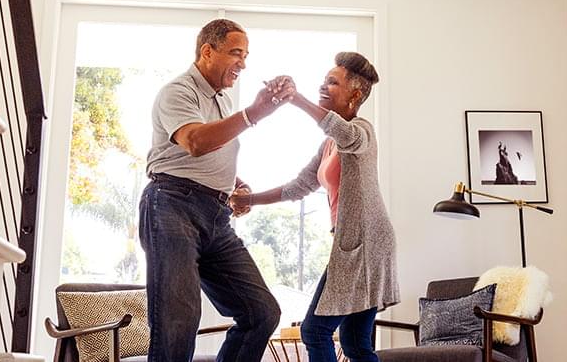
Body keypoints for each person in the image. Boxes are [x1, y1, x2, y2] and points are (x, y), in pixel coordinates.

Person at [230, 52, 400, 362]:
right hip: (355, 246)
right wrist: (248, 199)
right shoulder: (327, 145)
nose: (324, 86)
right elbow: (299, 186)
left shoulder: (362, 131)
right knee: (356, 344)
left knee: (314, 331)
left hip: (367, 246)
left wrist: (296, 99)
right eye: (323, 81)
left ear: (356, 94)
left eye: (333, 82)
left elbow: (346, 133)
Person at [140, 19, 292, 361]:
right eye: (236, 53)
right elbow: (194, 141)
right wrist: (254, 113)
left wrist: (234, 185)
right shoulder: (177, 92)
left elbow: (213, 152)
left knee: (261, 312)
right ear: (207, 51)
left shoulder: (220, 101)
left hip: (215, 217)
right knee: (178, 319)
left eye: (246, 55)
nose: (243, 63)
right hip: (172, 205)